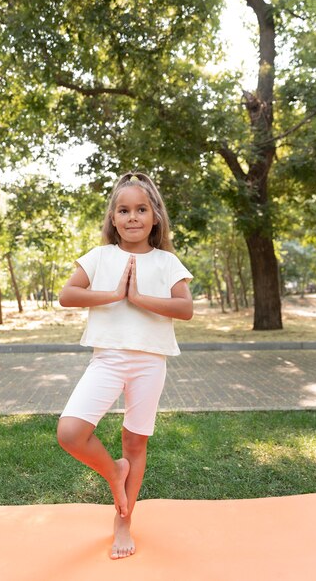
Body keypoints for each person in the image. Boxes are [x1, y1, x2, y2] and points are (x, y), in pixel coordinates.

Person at [57, 171, 193, 559]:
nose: (132, 217)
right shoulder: (100, 257)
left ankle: (123, 521)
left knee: (134, 441)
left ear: (154, 218)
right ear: (113, 219)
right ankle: (114, 472)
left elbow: (185, 309)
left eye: (141, 209)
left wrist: (139, 297)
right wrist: (116, 293)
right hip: (108, 359)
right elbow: (69, 295)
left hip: (150, 363)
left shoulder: (167, 262)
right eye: (123, 210)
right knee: (70, 432)